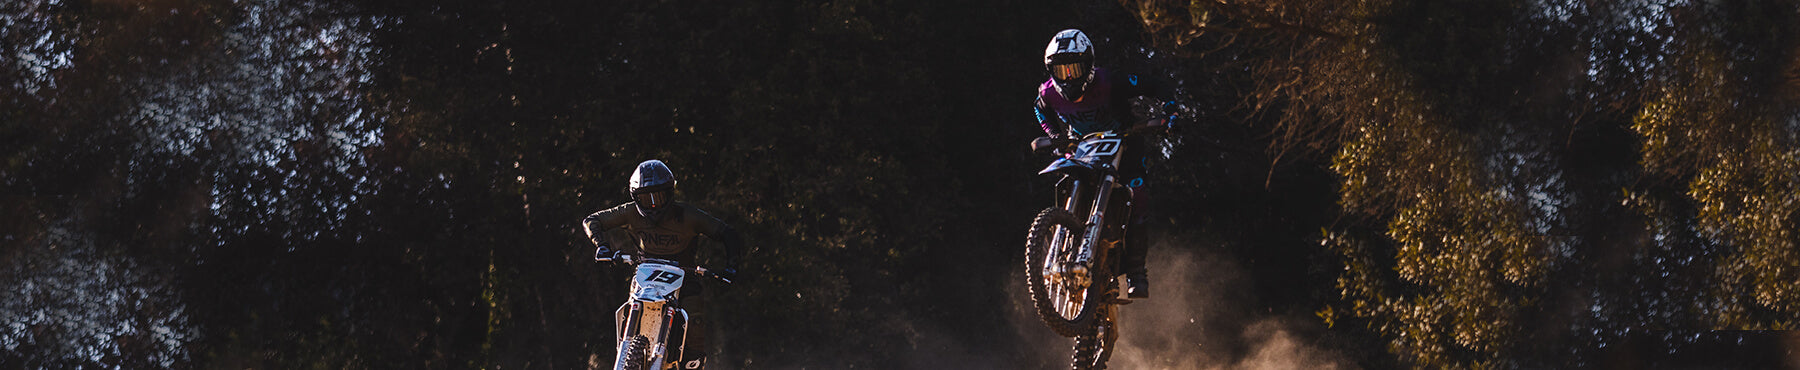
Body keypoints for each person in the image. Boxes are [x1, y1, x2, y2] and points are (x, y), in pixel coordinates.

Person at [1033, 28, 1169, 299]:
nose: (1068, 77)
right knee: (1064, 179)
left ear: (1089, 65)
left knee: (1138, 194)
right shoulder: (1048, 92)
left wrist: (1171, 111)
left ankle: (1136, 270)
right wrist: (1054, 135)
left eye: (1073, 69)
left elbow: (1155, 85)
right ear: (1051, 71)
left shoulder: (1111, 82)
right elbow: (1040, 109)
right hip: (1082, 147)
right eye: (1061, 71)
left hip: (1125, 144)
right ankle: (1065, 238)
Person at [583, 159, 743, 370]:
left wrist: (731, 266)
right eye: (645, 199)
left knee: (694, 318)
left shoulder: (688, 215)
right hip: (645, 276)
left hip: (685, 278)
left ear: (670, 192)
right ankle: (625, 352)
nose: (653, 205)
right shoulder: (629, 212)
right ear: (634, 198)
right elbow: (592, 220)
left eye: (658, 196)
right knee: (629, 308)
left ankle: (692, 364)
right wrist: (601, 245)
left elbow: (727, 233)